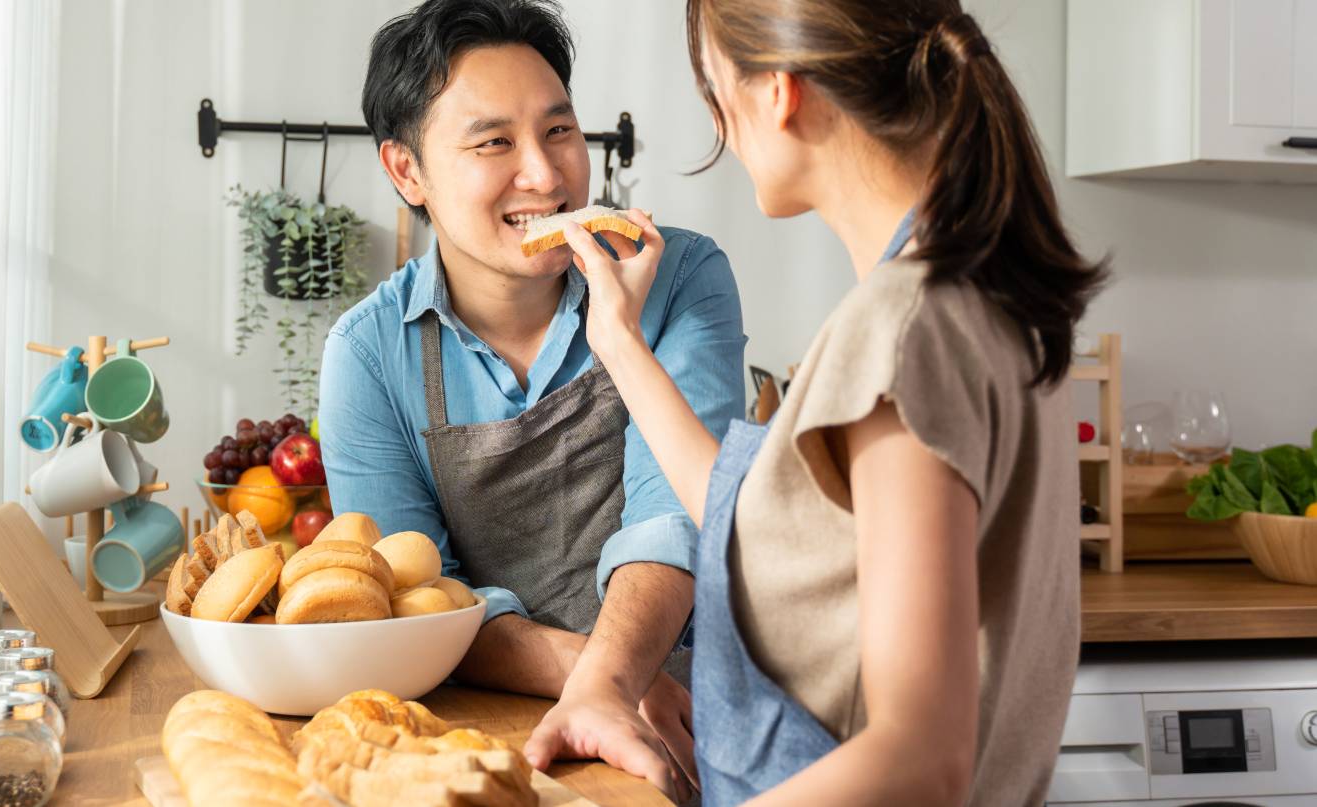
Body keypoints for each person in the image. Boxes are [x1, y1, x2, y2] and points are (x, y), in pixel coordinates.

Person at [540, 0, 1107, 804]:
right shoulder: (984, 295)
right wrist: (619, 339)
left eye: (714, 91)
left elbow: (922, 758)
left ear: (777, 90)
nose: (720, 129)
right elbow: (776, 540)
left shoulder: (903, 327)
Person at [318, 0, 744, 798]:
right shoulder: (368, 354)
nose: (547, 176)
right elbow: (416, 600)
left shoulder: (680, 278)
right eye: (493, 143)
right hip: (504, 733)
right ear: (407, 171)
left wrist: (614, 681)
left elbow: (676, 511)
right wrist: (601, 678)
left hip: (700, 717)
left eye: (559, 130)